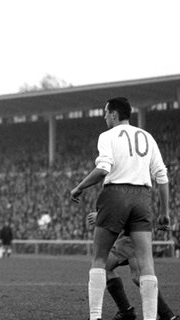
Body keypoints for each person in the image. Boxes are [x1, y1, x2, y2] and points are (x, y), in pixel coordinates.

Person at [70, 97, 170, 320]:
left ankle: (95, 316)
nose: (104, 117)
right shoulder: (147, 137)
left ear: (114, 114)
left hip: (116, 194)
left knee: (99, 259)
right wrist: (165, 212)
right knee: (146, 263)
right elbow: (162, 177)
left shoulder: (107, 136)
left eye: (106, 113)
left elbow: (104, 167)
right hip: (143, 198)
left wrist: (79, 187)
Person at [85, 212, 178, 320]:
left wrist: (103, 216)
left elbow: (127, 208)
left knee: (138, 276)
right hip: (126, 236)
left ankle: (167, 315)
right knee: (104, 269)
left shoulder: (129, 196)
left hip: (133, 234)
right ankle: (126, 311)